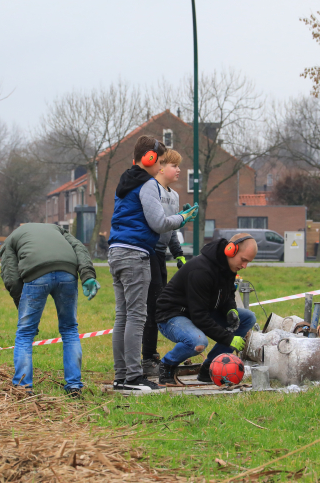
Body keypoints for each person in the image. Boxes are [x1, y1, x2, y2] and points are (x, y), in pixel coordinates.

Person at [108, 135, 198, 393]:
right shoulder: (147, 184)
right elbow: (158, 223)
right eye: (159, 161)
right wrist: (182, 218)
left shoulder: (125, 181)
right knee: (137, 317)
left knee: (123, 316)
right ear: (148, 159)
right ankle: (133, 377)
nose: (160, 167)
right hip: (135, 254)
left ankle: (121, 377)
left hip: (116, 252)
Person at [0, 223, 100, 397]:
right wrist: (87, 275)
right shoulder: (57, 229)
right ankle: (74, 385)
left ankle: (23, 387)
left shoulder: (11, 239)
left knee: (25, 333)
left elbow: (12, 278)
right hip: (67, 272)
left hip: (36, 274)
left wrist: (21, 306)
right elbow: (79, 248)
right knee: (70, 329)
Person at [155, 233, 258, 385]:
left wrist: (231, 310)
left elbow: (228, 293)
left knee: (248, 318)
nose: (244, 266)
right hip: (171, 316)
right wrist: (229, 338)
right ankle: (167, 365)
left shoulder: (229, 267)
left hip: (200, 311)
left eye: (247, 262)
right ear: (230, 250)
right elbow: (199, 317)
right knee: (197, 342)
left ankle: (209, 367)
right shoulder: (201, 271)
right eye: (243, 260)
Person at [142, 148, 186, 376]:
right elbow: (158, 223)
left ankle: (156, 353)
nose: (179, 170)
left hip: (161, 255)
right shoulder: (152, 190)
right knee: (153, 305)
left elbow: (172, 227)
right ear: (161, 167)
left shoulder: (175, 196)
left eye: (179, 166)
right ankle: (148, 357)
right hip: (147, 252)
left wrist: (178, 253)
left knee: (161, 303)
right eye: (174, 166)